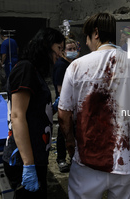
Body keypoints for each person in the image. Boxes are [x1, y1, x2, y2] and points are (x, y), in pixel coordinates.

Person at [58, 13, 130, 199]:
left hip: (87, 161)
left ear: (96, 33)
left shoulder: (76, 67)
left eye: (87, 37)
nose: (87, 43)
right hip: (127, 159)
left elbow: (64, 114)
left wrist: (69, 142)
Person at [2, 28, 65, 199]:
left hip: (35, 155)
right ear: (46, 45)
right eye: (59, 48)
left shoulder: (34, 71)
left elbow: (32, 111)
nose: (61, 54)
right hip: (24, 159)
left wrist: (51, 108)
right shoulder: (25, 69)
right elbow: (17, 116)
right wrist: (29, 165)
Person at [52, 38, 79, 173]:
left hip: (74, 103)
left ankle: (73, 157)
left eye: (74, 49)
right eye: (69, 49)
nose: (73, 51)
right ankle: (61, 159)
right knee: (64, 131)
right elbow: (60, 90)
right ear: (63, 52)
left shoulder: (74, 64)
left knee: (73, 131)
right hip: (65, 103)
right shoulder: (61, 66)